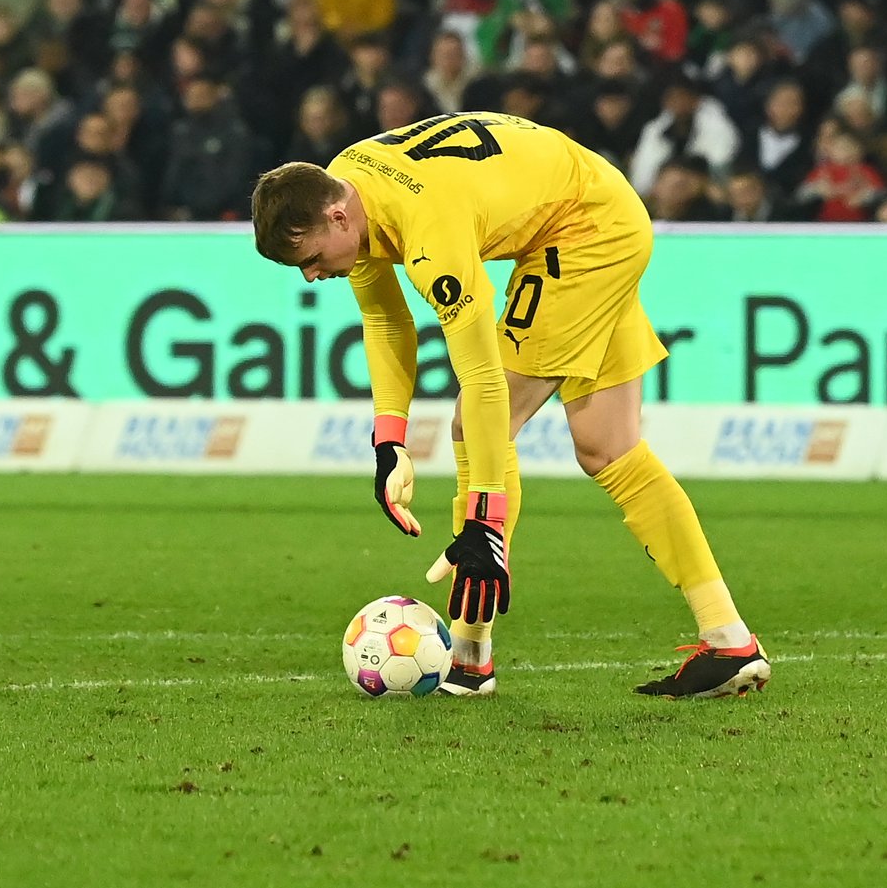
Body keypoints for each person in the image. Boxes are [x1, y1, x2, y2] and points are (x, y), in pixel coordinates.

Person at [250, 113, 767, 699]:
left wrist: (484, 520)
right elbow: (384, 320)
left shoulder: (431, 235)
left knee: (474, 422)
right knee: (608, 448)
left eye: (309, 259)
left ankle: (470, 658)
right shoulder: (344, 182)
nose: (313, 276)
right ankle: (730, 640)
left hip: (584, 232)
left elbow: (484, 382)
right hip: (604, 208)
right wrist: (389, 440)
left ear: (336, 217)